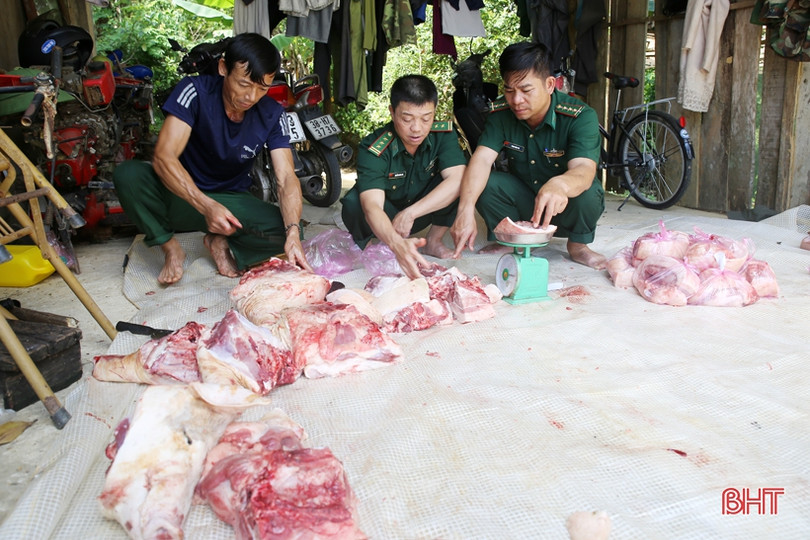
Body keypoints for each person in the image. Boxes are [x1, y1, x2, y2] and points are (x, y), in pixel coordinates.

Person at [113, 33, 312, 285]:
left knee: (287, 228)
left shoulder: (272, 113)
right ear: (223, 68)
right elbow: (164, 157)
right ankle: (169, 246)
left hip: (231, 202)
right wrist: (206, 206)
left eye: (262, 88)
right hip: (182, 195)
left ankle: (219, 240)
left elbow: (286, 177)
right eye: (243, 84)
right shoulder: (194, 91)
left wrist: (292, 232)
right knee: (129, 175)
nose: (250, 96)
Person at [450, 41, 607, 270]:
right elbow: (482, 159)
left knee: (589, 190)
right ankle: (511, 238)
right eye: (509, 90)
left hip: (564, 208)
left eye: (526, 90)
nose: (516, 100)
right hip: (525, 201)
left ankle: (578, 246)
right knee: (486, 181)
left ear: (550, 84)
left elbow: (584, 168)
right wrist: (465, 210)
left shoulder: (580, 116)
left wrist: (560, 184)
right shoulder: (501, 113)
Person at [340, 74, 467, 279]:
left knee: (463, 181)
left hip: (420, 213)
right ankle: (374, 246)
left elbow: (458, 179)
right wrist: (394, 242)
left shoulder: (443, 135)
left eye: (426, 118)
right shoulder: (374, 147)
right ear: (392, 112)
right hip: (387, 217)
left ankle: (434, 241)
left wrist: (411, 213)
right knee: (354, 202)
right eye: (407, 119)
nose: (417, 128)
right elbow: (372, 206)